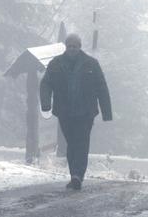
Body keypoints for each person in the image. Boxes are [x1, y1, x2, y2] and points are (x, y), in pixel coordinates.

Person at [40, 34, 112, 190]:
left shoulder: (91, 64)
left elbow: (102, 87)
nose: (72, 48)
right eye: (70, 46)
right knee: (71, 143)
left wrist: (107, 112)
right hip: (65, 112)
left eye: (75, 46)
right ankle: (74, 174)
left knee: (82, 142)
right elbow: (45, 84)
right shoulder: (56, 64)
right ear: (66, 47)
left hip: (86, 112)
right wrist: (46, 103)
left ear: (80, 47)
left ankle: (77, 175)